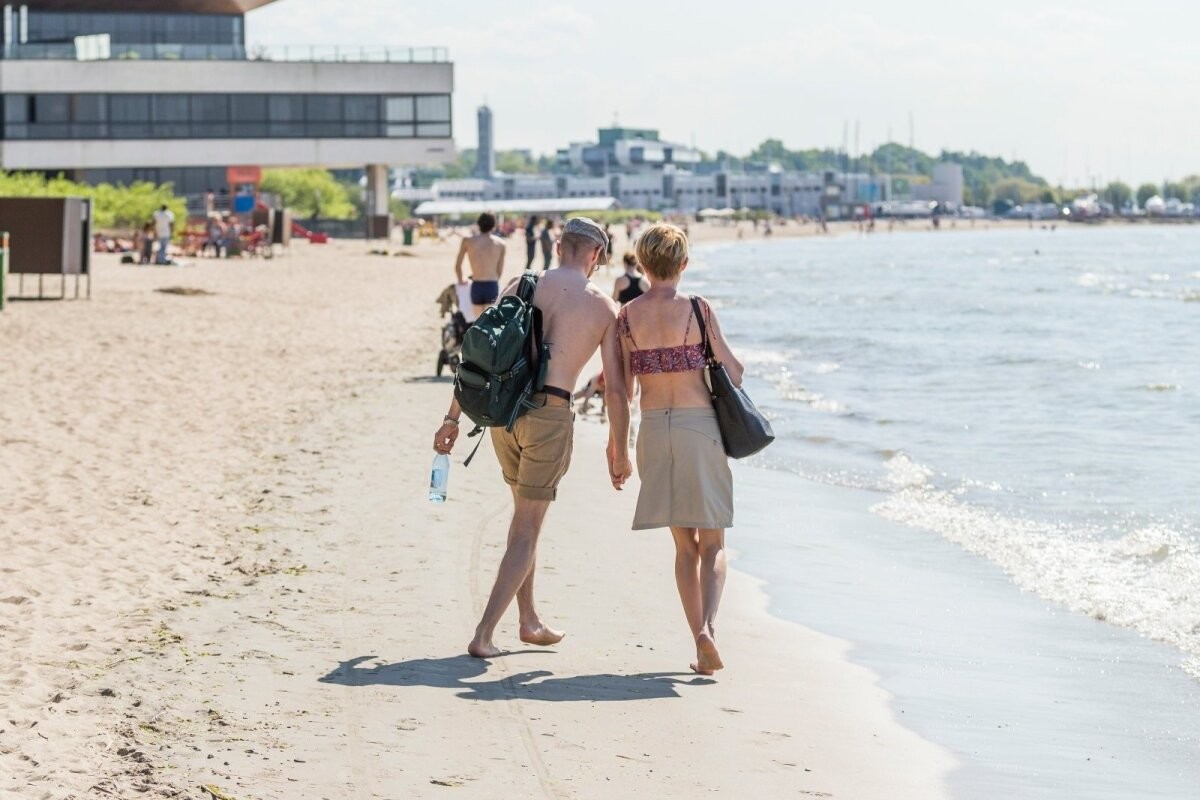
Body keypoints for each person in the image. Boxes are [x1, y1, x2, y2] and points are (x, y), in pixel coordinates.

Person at [433, 217, 629, 659]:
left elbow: (481, 356)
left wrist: (451, 419)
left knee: (524, 521)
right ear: (595, 255)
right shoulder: (603, 308)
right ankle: (484, 634)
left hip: (504, 416)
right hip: (550, 415)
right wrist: (619, 447)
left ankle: (529, 620)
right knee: (527, 528)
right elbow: (616, 389)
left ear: (560, 246)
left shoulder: (522, 283)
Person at [613, 222, 744, 676]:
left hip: (653, 430)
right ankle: (708, 629)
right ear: (683, 264)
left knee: (683, 547)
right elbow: (736, 370)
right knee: (714, 543)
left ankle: (698, 640)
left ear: (643, 265)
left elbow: (620, 391)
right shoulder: (698, 308)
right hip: (698, 428)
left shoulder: (626, 317)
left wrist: (618, 450)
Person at [454, 212, 507, 317]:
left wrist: (461, 280)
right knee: (490, 324)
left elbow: (457, 265)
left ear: (478, 224)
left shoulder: (468, 241)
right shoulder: (501, 244)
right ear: (494, 225)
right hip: (492, 285)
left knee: (477, 323)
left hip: (476, 285)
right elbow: (499, 272)